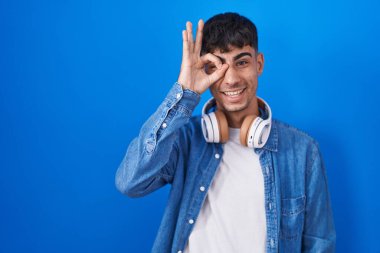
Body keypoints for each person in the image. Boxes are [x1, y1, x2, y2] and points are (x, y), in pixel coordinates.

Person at [115, 12, 336, 253]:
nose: (230, 79)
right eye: (216, 66)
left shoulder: (303, 151)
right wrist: (184, 93)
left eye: (241, 62)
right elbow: (130, 182)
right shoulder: (184, 140)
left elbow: (319, 245)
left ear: (259, 64)